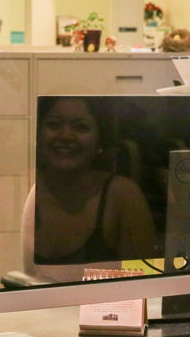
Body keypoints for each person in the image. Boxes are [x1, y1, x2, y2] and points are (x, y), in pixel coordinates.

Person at [23, 97, 155, 280]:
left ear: (100, 140)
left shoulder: (123, 196)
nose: (66, 136)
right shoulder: (17, 189)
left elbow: (145, 283)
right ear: (37, 133)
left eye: (81, 127)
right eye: (54, 125)